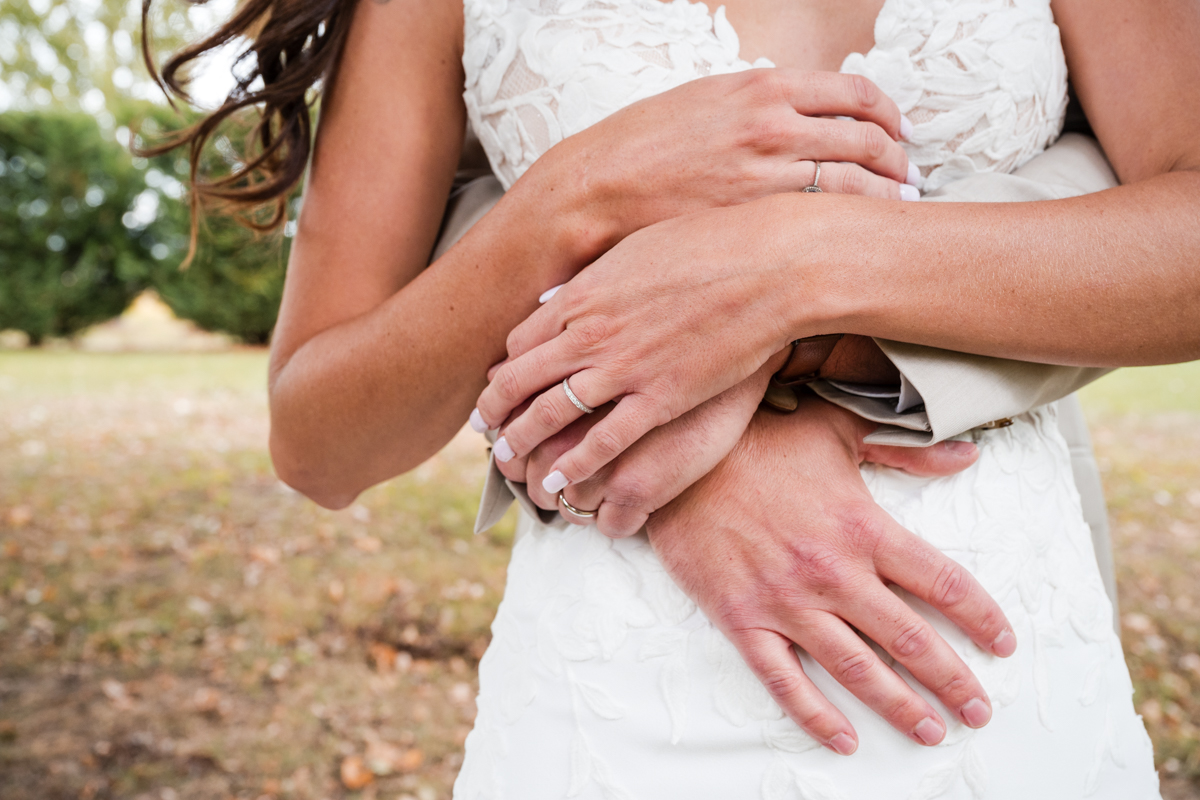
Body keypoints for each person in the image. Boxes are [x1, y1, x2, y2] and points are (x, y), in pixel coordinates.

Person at [141, 0, 1200, 796]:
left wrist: (797, 264)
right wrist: (569, 198)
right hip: (615, 700)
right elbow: (319, 435)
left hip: (997, 681)